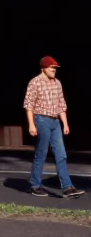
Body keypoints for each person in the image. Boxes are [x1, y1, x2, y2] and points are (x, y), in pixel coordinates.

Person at [24, 56, 84, 198]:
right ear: (44, 68)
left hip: (55, 122)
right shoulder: (35, 83)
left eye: (55, 68)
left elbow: (61, 104)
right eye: (51, 68)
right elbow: (29, 105)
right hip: (41, 120)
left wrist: (65, 123)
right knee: (41, 153)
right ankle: (35, 185)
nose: (54, 70)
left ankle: (67, 188)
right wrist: (31, 124)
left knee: (61, 154)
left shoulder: (57, 83)